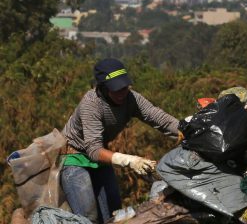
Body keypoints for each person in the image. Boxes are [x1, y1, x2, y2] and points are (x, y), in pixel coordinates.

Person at [60, 58, 180, 223]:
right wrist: (130, 160)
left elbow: (159, 118)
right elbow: (93, 150)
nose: (122, 93)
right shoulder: (91, 104)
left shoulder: (131, 99)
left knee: (114, 214)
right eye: (116, 89)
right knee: (88, 216)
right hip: (75, 156)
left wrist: (187, 130)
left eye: (124, 87)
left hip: (101, 156)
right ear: (102, 87)